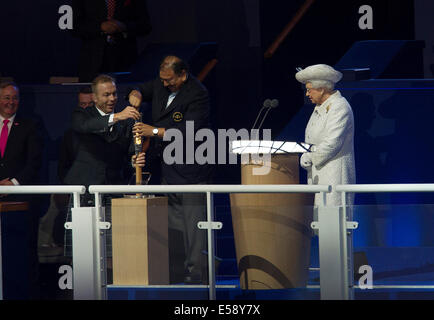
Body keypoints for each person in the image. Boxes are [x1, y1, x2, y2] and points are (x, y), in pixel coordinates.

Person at [128, 55, 213, 284]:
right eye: (162, 79)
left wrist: (152, 131)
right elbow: (139, 89)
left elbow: (187, 132)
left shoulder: (198, 93)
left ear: (183, 74)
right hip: (167, 168)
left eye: (170, 80)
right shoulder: (160, 83)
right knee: (174, 224)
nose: (165, 84)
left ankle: (196, 272)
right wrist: (134, 95)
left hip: (191, 168)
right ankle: (177, 270)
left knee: (193, 226)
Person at [63, 74, 145, 258]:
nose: (112, 99)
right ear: (94, 97)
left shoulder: (129, 120)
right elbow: (85, 126)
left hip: (113, 189)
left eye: (114, 94)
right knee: (81, 249)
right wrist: (116, 117)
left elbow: (131, 153)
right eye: (106, 95)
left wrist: (135, 161)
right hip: (84, 190)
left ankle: (110, 286)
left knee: (111, 249)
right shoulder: (82, 114)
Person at [38, 86, 94, 260]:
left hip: (99, 190)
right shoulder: (69, 135)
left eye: (89, 104)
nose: (85, 108)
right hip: (75, 191)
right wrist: (71, 189)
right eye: (82, 104)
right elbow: (63, 167)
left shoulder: (108, 130)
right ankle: (58, 252)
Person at [0, 81, 43, 299]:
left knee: (21, 254)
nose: (10, 102)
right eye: (6, 97)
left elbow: (34, 162)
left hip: (19, 201)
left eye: (14, 98)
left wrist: (14, 183)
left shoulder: (30, 125)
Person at [295, 64, 356, 206]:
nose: (307, 94)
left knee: (335, 221)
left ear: (321, 89)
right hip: (319, 175)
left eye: (309, 90)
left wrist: (311, 156)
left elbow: (332, 143)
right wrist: (306, 154)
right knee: (320, 222)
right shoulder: (320, 107)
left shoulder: (340, 107)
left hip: (334, 175)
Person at [72, 0, 152, 82]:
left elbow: (145, 25)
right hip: (92, 60)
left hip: (124, 58)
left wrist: (124, 26)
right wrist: (100, 27)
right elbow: (75, 27)